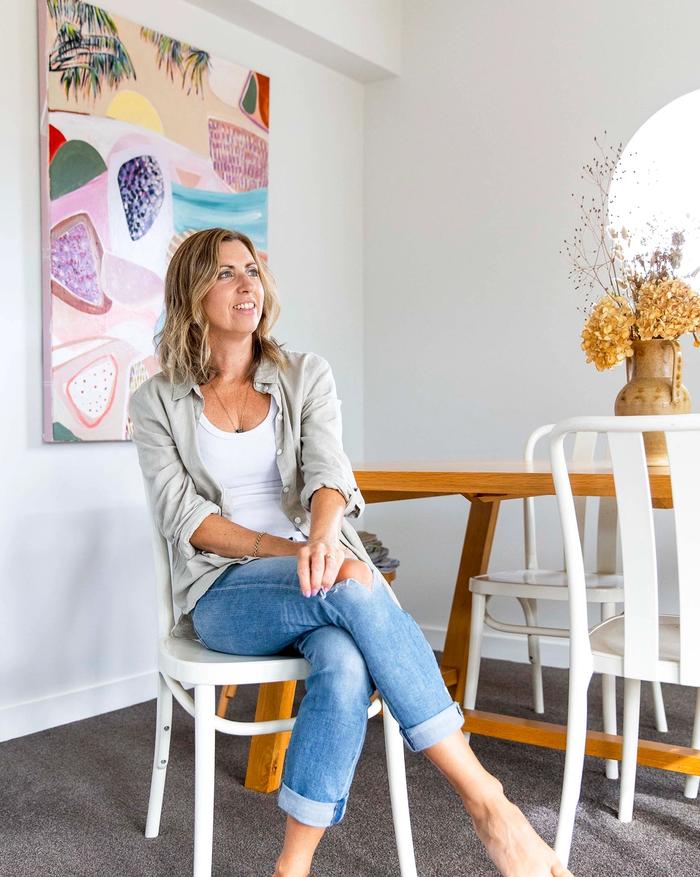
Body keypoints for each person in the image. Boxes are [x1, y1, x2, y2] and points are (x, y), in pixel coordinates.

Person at [128, 227, 573, 877]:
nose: (245, 283)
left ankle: (291, 867)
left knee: (342, 659)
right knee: (355, 582)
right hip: (225, 593)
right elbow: (186, 518)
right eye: (224, 273)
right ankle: (489, 802)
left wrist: (319, 538)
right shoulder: (157, 401)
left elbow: (329, 473)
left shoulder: (304, 374)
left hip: (314, 566)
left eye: (251, 269)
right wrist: (297, 550)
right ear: (191, 293)